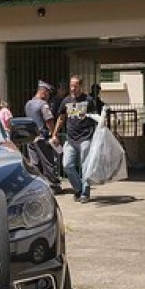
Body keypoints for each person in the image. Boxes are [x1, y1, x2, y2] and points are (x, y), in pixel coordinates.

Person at [51, 75, 100, 203]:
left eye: (75, 85)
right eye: (71, 85)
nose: (73, 88)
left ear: (80, 86)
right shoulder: (66, 101)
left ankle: (85, 192)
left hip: (85, 137)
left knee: (85, 166)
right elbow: (61, 118)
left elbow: (96, 118)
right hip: (71, 138)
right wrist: (55, 134)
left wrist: (97, 134)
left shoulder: (88, 100)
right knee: (67, 165)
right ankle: (78, 188)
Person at [24, 81, 62, 190]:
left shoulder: (28, 104)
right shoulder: (43, 105)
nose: (48, 96)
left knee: (34, 162)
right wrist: (54, 135)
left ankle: (37, 185)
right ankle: (54, 185)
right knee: (48, 162)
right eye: (48, 93)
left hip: (30, 138)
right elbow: (49, 121)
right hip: (42, 137)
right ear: (44, 92)